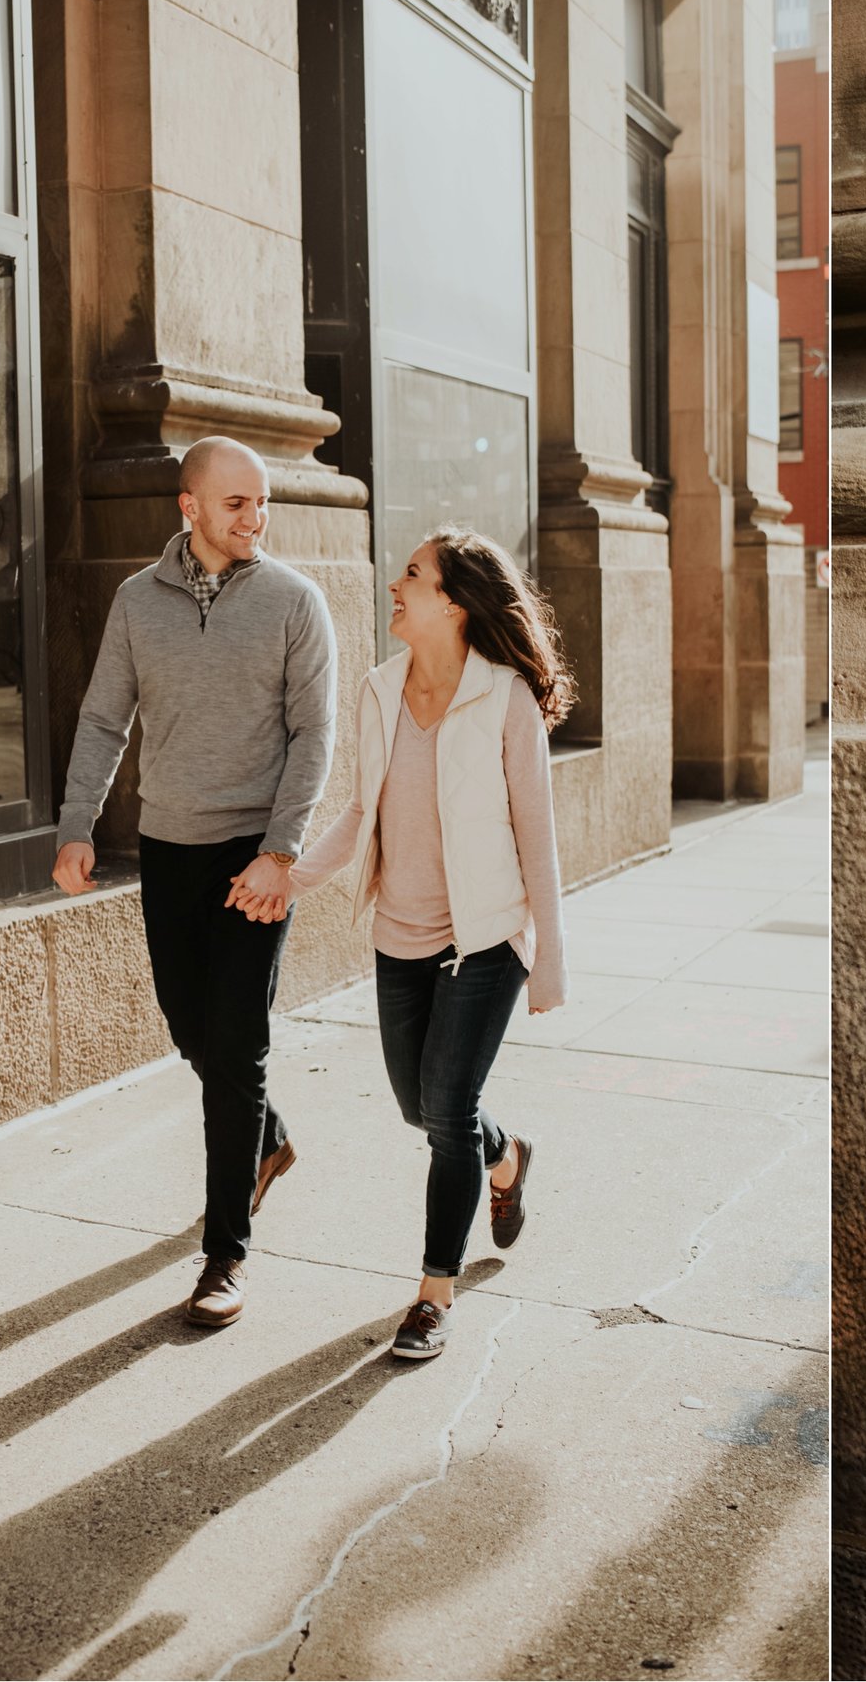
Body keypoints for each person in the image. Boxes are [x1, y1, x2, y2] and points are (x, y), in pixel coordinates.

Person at [52, 435, 336, 1329]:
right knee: (190, 1027)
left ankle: (226, 1252)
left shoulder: (296, 602)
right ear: (189, 506)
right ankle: (267, 1136)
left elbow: (314, 738)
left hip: (254, 851)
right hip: (169, 846)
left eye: (262, 503)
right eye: (236, 503)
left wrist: (281, 852)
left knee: (239, 1042)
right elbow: (104, 717)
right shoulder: (139, 601)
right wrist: (77, 825)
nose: (255, 518)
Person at [288, 525, 570, 1362]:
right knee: (423, 1107)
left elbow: (539, 837)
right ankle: (507, 1155)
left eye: (411, 573)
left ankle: (432, 1294)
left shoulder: (507, 699)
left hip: (484, 940)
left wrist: (549, 952)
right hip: (398, 935)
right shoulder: (380, 691)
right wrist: (288, 877)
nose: (394, 586)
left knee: (446, 1111)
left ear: (451, 601)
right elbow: (357, 815)